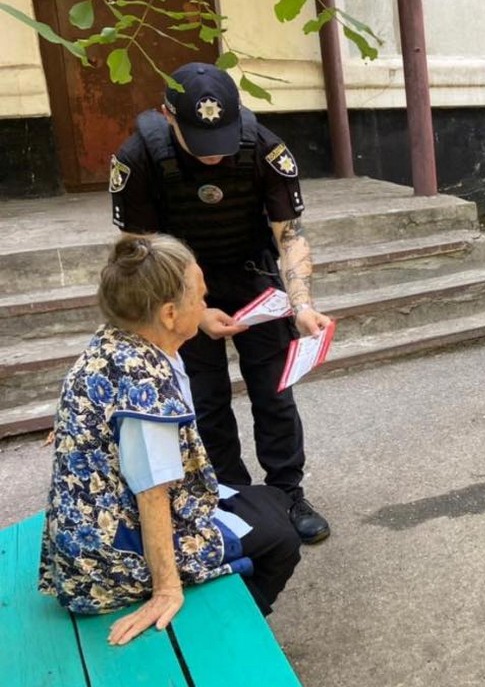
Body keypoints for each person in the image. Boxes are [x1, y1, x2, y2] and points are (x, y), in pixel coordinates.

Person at [39, 234, 301, 645]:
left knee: (274, 501)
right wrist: (166, 589)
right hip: (110, 557)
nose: (206, 301)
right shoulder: (146, 388)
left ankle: (225, 618)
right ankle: (217, 637)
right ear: (167, 313)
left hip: (87, 532)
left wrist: (200, 317)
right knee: (282, 538)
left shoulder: (116, 338)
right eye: (199, 297)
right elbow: (152, 492)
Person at [109, 62, 331, 544]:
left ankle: (287, 493)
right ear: (167, 115)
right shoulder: (139, 159)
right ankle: (231, 497)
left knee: (274, 393)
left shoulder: (264, 149)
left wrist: (302, 304)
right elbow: (138, 255)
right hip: (178, 286)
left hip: (252, 278)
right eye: (200, 143)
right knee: (206, 401)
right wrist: (189, 310)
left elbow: (290, 236)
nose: (213, 157)